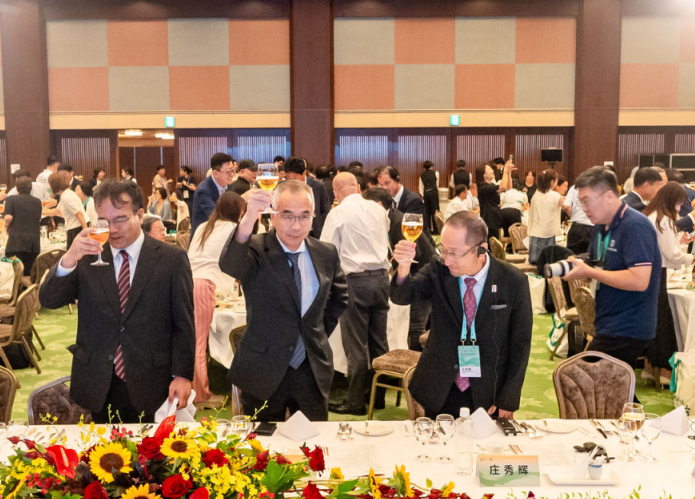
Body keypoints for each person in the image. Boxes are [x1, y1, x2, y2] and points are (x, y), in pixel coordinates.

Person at [40, 177, 193, 424]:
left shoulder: (171, 259)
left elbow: (184, 323)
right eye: (103, 221)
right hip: (98, 378)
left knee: (154, 447)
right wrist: (69, 257)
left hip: (153, 378)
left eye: (120, 219)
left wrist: (182, 375)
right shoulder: (88, 256)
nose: (111, 229)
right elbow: (49, 299)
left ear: (140, 215)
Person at [218, 178, 345, 427]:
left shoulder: (326, 252)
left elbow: (338, 299)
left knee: (313, 441)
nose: (296, 225)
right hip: (263, 368)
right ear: (273, 216)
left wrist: (314, 334)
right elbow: (230, 264)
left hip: (311, 368)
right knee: (261, 444)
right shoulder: (256, 248)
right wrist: (249, 218)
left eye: (304, 216)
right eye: (287, 216)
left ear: (313, 216)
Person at [391, 212, 531, 420]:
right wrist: (403, 266)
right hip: (441, 384)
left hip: (489, 389)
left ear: (481, 250)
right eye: (443, 250)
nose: (447, 260)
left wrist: (508, 398)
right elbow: (402, 296)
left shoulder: (512, 281)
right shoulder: (438, 270)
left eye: (455, 253)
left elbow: (521, 343)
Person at [561, 165, 662, 370]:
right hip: (606, 320)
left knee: (588, 379)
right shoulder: (600, 225)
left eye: (587, 201)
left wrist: (590, 271)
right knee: (607, 385)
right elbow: (598, 267)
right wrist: (580, 268)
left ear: (608, 196)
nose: (583, 208)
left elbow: (640, 280)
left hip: (629, 324)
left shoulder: (635, 226)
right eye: (580, 202)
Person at [320, 171, 392, 414]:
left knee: (356, 345)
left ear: (335, 193)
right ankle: (377, 397)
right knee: (379, 341)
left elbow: (327, 251)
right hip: (382, 279)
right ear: (359, 188)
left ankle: (355, 403)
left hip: (355, 282)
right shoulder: (378, 210)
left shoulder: (338, 213)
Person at [188, 189, 242, 405]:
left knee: (193, 340)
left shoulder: (205, 226)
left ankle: (195, 391)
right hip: (204, 285)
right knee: (198, 343)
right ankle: (201, 395)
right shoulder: (233, 229)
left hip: (188, 282)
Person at [645, 180, 695, 372]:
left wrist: (680, 242)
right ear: (671, 201)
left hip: (652, 271)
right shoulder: (663, 220)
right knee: (663, 322)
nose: (679, 208)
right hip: (657, 272)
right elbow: (672, 255)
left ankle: (651, 369)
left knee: (658, 320)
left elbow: (665, 248)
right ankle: (663, 370)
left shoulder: (652, 216)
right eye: (679, 203)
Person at [3, 175, 42, 277]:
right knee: (29, 274)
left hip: (16, 242)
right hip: (33, 244)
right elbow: (38, 219)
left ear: (17, 188)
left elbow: (8, 217)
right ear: (31, 188)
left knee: (15, 275)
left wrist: (6, 225)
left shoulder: (11, 199)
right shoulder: (37, 201)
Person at [191, 151, 237, 231]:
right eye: (228, 172)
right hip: (204, 235)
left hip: (220, 232)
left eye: (233, 170)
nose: (232, 174)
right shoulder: (203, 190)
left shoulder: (229, 186)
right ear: (216, 173)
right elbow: (215, 215)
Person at [526, 172, 563, 267]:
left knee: (534, 263)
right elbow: (566, 205)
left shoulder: (535, 195)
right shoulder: (555, 196)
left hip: (535, 233)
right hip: (548, 233)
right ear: (552, 182)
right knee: (548, 264)